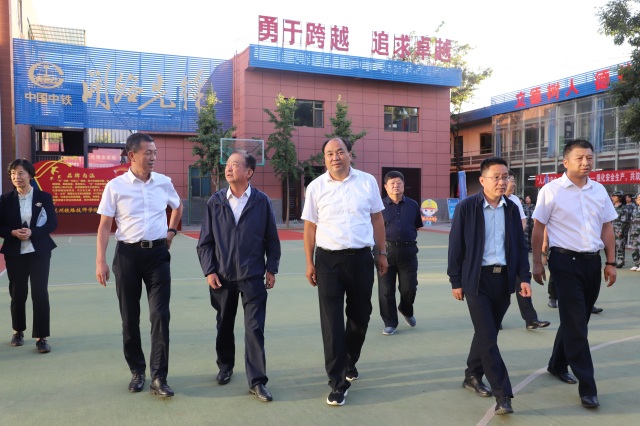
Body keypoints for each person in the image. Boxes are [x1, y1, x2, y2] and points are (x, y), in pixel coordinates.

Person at [302, 137, 388, 406]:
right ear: (324, 159)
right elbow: (310, 227)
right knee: (331, 322)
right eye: (329, 154)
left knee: (361, 315)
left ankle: (349, 359)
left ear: (350, 154)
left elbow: (377, 218)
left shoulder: (367, 182)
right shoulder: (316, 187)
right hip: (328, 261)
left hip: (361, 258)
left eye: (340, 152)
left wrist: (382, 253)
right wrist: (309, 262)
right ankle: (337, 382)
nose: (335, 157)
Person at [531, 139, 617, 409]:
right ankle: (588, 387)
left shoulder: (599, 190)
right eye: (579, 158)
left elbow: (607, 228)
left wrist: (610, 262)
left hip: (592, 263)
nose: (585, 162)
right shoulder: (551, 190)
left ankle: (557, 363)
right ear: (565, 162)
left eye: (589, 157)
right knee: (577, 325)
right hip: (563, 262)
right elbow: (538, 227)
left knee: (577, 320)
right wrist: (537, 262)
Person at [96, 132, 183, 397]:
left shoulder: (164, 182)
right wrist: (101, 260)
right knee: (129, 318)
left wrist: (170, 233)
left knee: (160, 315)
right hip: (127, 257)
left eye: (155, 153)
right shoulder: (115, 186)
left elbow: (177, 207)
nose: (153, 157)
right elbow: (104, 225)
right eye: (148, 153)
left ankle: (159, 377)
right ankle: (137, 371)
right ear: (132, 155)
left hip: (157, 256)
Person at [447, 157, 532, 416]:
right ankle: (502, 394)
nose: (502, 181)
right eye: (496, 177)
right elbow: (456, 246)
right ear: (482, 180)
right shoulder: (467, 207)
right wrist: (455, 281)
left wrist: (524, 277)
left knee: (488, 332)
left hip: (503, 280)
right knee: (488, 336)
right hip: (476, 281)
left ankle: (472, 375)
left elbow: (520, 246)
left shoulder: (512, 208)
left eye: (505, 176)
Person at [196, 150, 281, 403]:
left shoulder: (261, 201)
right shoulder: (216, 202)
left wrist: (271, 268)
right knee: (224, 323)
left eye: (235, 164)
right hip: (222, 276)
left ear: (249, 172)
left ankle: (257, 381)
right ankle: (225, 366)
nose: (229, 168)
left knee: (254, 328)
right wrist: (209, 270)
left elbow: (272, 239)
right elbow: (205, 242)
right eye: (228, 164)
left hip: (252, 275)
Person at [0, 159, 58, 353]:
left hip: (39, 252)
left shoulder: (44, 197)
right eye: (13, 173)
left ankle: (42, 337)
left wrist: (33, 232)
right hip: (15, 252)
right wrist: (12, 233)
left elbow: (52, 223)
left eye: (21, 173)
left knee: (39, 292)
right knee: (18, 292)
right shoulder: (5, 199)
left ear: (30, 175)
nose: (16, 177)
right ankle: (18, 331)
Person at [378, 170, 423, 336]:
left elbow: (416, 226)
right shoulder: (378, 206)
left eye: (399, 183)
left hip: (408, 252)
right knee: (386, 290)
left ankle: (406, 309)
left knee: (409, 288)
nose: (396, 186)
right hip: (386, 252)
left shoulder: (413, 205)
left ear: (404, 185)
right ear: (385, 187)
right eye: (392, 183)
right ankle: (390, 322)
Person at [504, 171, 550, 330]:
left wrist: (516, 236)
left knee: (522, 282)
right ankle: (494, 319)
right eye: (511, 180)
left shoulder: (515, 200)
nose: (514, 183)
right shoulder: (494, 200)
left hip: (515, 248)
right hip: (499, 252)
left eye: (514, 180)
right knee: (499, 288)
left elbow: (523, 221)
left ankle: (531, 320)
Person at [610, 190, 630, 268]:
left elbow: (625, 221)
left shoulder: (624, 208)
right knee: (612, 246)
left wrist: (620, 230)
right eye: (613, 196)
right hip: (611, 229)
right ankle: (612, 261)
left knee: (620, 246)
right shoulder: (611, 207)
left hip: (619, 230)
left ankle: (620, 261)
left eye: (615, 196)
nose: (613, 197)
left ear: (620, 197)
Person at [628, 193, 640, 271]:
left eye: (638, 198)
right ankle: (636, 263)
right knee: (634, 248)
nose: (637, 200)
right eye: (637, 199)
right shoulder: (635, 208)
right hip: (634, 231)